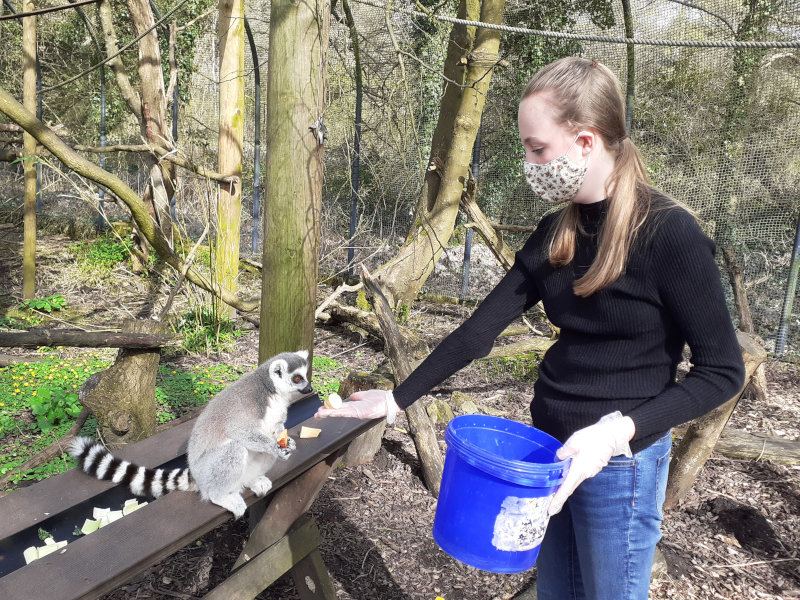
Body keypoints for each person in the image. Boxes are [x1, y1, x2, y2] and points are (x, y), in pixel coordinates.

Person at [316, 56, 745, 600]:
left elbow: (721, 372)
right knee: (556, 593)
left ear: (586, 142)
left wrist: (616, 433)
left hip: (620, 465)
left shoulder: (670, 235)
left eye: (537, 148)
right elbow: (478, 331)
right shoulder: (555, 231)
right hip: (548, 452)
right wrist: (395, 401)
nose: (529, 162)